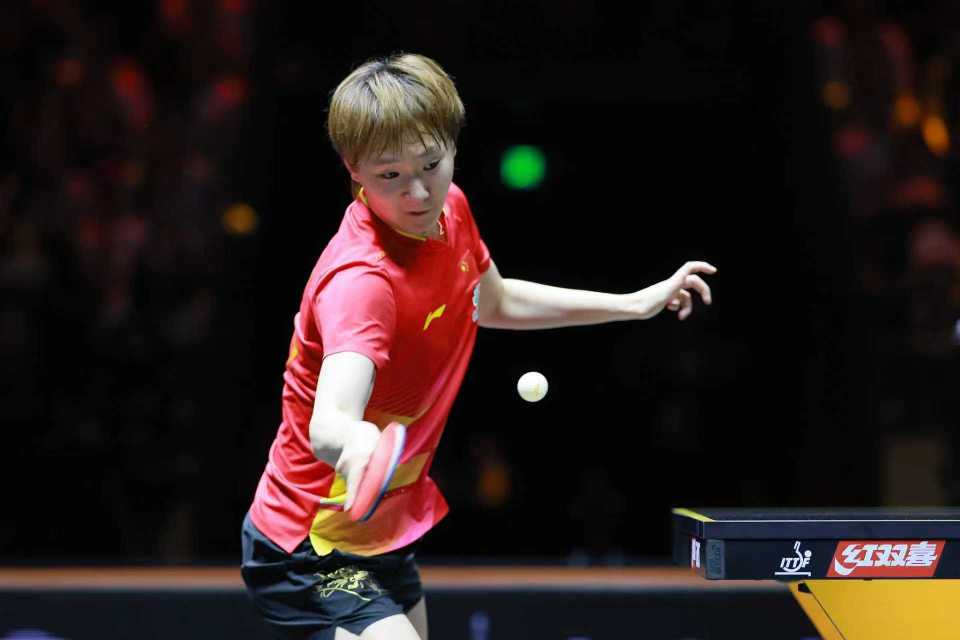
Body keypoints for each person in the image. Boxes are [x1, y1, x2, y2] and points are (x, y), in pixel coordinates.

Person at [240, 53, 716, 640]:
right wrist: (356, 440)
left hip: (379, 528)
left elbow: (493, 302)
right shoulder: (363, 282)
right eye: (390, 176)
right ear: (353, 168)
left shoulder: (451, 211)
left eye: (431, 165)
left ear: (452, 145)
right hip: (308, 538)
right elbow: (329, 421)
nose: (418, 192)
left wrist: (633, 303)